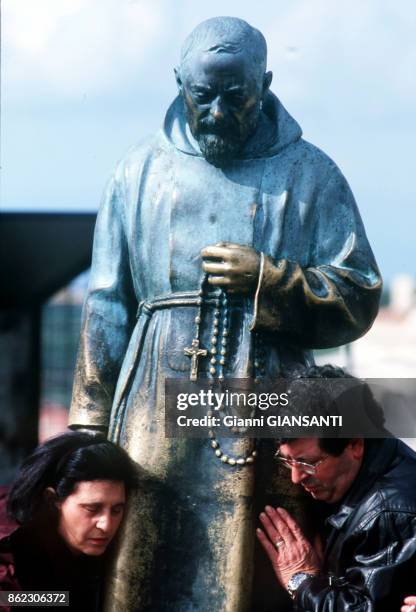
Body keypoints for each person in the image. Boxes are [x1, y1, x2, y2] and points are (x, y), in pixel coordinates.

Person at [69, 16, 382, 611]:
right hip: (151, 410)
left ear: (263, 83)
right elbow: (106, 301)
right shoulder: (137, 171)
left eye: (233, 95)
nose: (214, 111)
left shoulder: (311, 173)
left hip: (268, 415)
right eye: (200, 94)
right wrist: (87, 425)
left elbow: (359, 292)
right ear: (178, 82)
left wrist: (271, 278)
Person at [257, 372, 416, 610]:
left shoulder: (391, 514)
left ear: (354, 445)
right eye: (287, 461)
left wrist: (301, 581)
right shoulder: (374, 455)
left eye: (308, 463)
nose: (295, 477)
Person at [0, 431, 137, 611]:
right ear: (52, 500)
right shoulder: (9, 551)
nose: (106, 525)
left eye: (116, 510)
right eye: (92, 509)